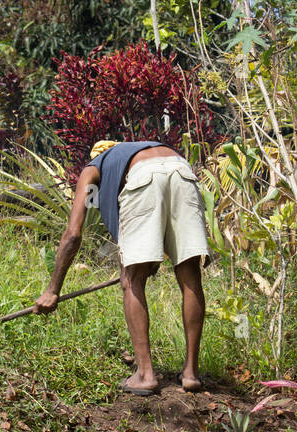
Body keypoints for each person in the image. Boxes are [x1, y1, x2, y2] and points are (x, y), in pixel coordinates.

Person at [33, 139, 209, 395]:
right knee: (190, 275)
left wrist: (52, 290)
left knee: (131, 281)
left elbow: (72, 235)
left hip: (144, 175)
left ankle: (145, 375)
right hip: (182, 170)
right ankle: (191, 373)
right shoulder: (139, 150)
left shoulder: (94, 168)